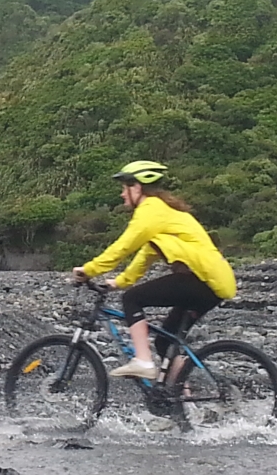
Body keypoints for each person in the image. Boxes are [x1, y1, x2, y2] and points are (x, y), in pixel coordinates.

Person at [72, 160, 236, 380]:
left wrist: (90, 270)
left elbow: (124, 246)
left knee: (132, 299)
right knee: (164, 341)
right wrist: (118, 282)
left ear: (137, 187)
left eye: (124, 188)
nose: (122, 195)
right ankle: (181, 400)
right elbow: (144, 257)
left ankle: (143, 361)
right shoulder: (161, 214)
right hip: (211, 284)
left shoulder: (152, 210)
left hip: (203, 280)